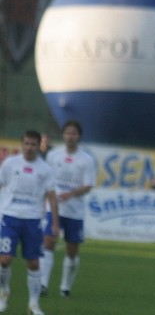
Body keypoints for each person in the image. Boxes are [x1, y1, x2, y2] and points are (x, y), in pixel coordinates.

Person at [0, 130, 59, 315]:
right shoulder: (10, 164)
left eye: (33, 144)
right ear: (21, 144)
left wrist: (55, 223)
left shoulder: (45, 169)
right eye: (26, 143)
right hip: (9, 217)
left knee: (33, 263)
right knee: (4, 259)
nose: (29, 148)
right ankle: (3, 293)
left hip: (33, 220)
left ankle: (33, 305)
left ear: (38, 146)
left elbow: (51, 196)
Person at [40, 120, 96, 298]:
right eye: (67, 133)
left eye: (74, 133)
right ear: (63, 135)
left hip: (75, 210)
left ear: (79, 136)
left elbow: (88, 186)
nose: (70, 136)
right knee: (48, 242)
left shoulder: (86, 160)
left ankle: (65, 287)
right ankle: (43, 284)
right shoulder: (53, 156)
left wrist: (70, 193)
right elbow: (46, 180)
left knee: (72, 250)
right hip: (54, 208)